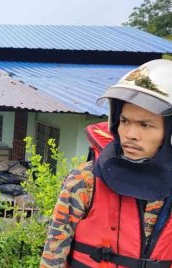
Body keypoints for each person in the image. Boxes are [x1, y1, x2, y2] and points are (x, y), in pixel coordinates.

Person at [40, 59, 172, 267]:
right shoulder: (85, 180)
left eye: (145, 125)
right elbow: (53, 257)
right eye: (125, 121)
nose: (130, 134)